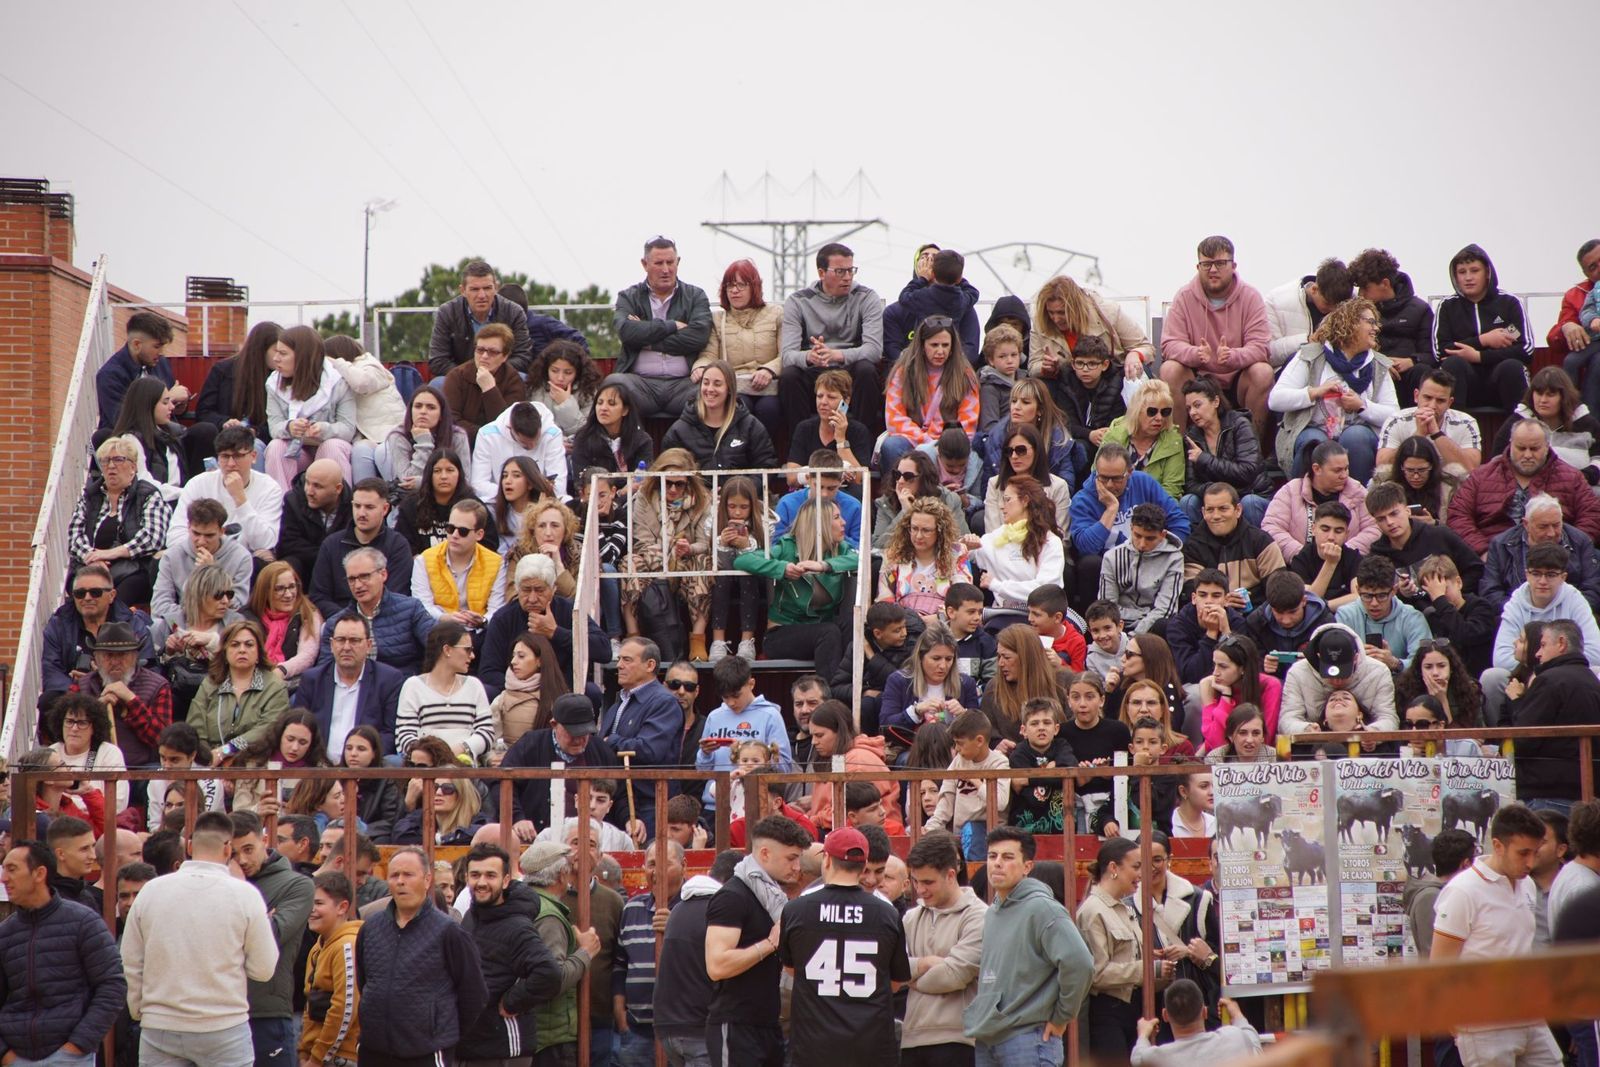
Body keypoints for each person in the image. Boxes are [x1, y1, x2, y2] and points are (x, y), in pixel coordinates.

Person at [123, 811, 279, 1067]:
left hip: (161, 1022)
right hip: (223, 1023)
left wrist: (140, 1008)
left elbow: (130, 958)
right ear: (228, 849)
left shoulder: (152, 891)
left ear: (190, 846)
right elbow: (263, 970)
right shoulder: (245, 895)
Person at [1431, 804, 1563, 1067]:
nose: (1530, 862)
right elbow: (1440, 962)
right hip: (1482, 1018)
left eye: (1535, 853)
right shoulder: (1463, 890)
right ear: (1497, 845)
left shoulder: (1526, 883)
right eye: (1523, 853)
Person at [778, 827, 911, 1067]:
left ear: (827, 860)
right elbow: (895, 982)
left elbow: (791, 969)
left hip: (813, 1044)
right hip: (870, 1045)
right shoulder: (887, 914)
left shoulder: (796, 910)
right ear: (863, 866)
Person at [964, 825, 1092, 1066]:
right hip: (988, 1038)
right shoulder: (991, 913)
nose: (997, 863)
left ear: (1027, 867)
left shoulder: (1043, 907)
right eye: (992, 856)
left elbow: (1080, 963)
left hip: (1028, 1038)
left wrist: (1062, 1017)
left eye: (1008, 857)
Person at [355, 846, 489, 1065]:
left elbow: (474, 994)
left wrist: (441, 1033)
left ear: (427, 880)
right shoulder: (371, 928)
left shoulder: (448, 931)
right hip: (374, 1049)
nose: (400, 881)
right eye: (394, 875)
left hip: (426, 1052)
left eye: (408, 875)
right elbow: (365, 982)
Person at [703, 815, 812, 1067]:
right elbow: (717, 966)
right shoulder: (732, 896)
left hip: (767, 1024)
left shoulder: (772, 897)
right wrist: (770, 944)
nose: (797, 867)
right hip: (735, 1026)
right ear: (764, 854)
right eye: (791, 858)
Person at [1270, 297, 1398, 482]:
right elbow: (1276, 399)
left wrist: (1362, 405)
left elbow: (1394, 414)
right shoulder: (1311, 355)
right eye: (1370, 322)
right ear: (1350, 323)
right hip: (1314, 428)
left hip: (1357, 431)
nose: (1376, 328)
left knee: (1355, 437)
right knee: (1316, 443)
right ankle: (1303, 501)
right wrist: (1315, 392)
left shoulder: (1377, 364)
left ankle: (1359, 501)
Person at [457, 842, 562, 1067]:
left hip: (503, 1050)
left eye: (490, 875)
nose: (481, 882)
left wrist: (513, 1002)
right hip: (473, 1045)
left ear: (505, 881)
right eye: (475, 875)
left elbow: (549, 973)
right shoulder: (471, 917)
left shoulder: (518, 926)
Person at [1157, 236, 1274, 438]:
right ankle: (1177, 449)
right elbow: (1169, 344)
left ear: (1233, 265)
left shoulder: (1251, 296)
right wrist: (1194, 353)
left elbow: (1261, 346)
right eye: (1207, 264)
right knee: (1170, 369)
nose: (1213, 270)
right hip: (1197, 378)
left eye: (1220, 263)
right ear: (1198, 266)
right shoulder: (1184, 297)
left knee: (1263, 372)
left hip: (1238, 379)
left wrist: (1233, 356)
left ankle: (1254, 452)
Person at [735, 494, 858, 683]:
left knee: (851, 624)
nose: (843, 522)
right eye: (836, 518)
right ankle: (832, 696)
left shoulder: (840, 549)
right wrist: (781, 568)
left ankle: (851, 685)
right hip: (782, 633)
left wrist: (824, 565)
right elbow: (743, 559)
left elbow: (862, 558)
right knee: (829, 632)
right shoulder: (787, 547)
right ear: (819, 525)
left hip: (821, 627)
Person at [229, 811, 314, 1067]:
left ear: (264, 840)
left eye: (248, 849)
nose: (242, 860)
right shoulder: (218, 885)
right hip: (220, 1011)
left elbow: (270, 935)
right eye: (233, 853)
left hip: (267, 1011)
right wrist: (261, 916)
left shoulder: (297, 885)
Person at [777, 242, 886, 432]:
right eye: (840, 272)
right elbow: (787, 355)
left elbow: (874, 350)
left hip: (849, 365)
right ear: (821, 273)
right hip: (815, 367)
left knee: (867, 371)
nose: (847, 277)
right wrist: (809, 357)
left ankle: (861, 439)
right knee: (789, 376)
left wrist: (836, 355)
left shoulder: (866, 297)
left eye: (851, 271)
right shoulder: (797, 301)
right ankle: (803, 440)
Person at [901, 831, 988, 1066]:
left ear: (951, 875)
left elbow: (954, 976)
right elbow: (891, 969)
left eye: (928, 882)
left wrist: (910, 976)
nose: (920, 889)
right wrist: (926, 963)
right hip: (911, 1037)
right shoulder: (911, 918)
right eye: (916, 881)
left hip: (958, 1039)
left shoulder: (979, 916)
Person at [1450, 418, 1600, 554]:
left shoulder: (1572, 477)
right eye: (1521, 448)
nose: (1527, 455)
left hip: (1555, 557)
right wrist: (1482, 551)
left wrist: (1568, 550)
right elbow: (1458, 515)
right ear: (1510, 444)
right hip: (1493, 557)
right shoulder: (1481, 476)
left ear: (1547, 447)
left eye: (1534, 449)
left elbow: (1592, 515)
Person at [1067, 443, 1189, 607]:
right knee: (1089, 563)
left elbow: (1180, 522)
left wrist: (1159, 548)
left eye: (1117, 478)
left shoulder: (1144, 483)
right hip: (1109, 566)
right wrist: (1111, 509)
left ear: (1129, 473)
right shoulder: (1083, 499)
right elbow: (1085, 547)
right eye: (1103, 477)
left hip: (1151, 556)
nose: (1109, 485)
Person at [618, 450, 713, 658]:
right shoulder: (643, 498)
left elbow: (704, 543)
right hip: (653, 561)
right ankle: (633, 635)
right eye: (667, 482)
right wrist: (666, 557)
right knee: (629, 562)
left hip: (686, 562)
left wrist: (688, 549)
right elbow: (642, 541)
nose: (672, 488)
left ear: (688, 483)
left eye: (678, 484)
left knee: (704, 561)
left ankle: (697, 640)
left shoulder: (703, 501)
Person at [1077, 835, 1166, 1059]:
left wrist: (1152, 959)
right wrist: (1148, 968)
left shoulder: (1124, 908)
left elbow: (1124, 956)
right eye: (1136, 867)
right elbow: (1097, 973)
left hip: (1132, 1009)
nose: (1140, 874)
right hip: (1108, 1014)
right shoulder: (1093, 911)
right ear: (1113, 867)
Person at [479, 553, 610, 697]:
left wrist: (556, 632)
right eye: (526, 590)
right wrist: (525, 689)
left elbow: (604, 650)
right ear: (517, 589)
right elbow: (488, 671)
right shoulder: (503, 618)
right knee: (487, 692)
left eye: (540, 590)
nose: (532, 598)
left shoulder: (569, 611)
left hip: (562, 692)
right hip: (515, 694)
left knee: (592, 692)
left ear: (553, 589)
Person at [613, 236, 714, 420]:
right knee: (613, 385)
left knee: (713, 393)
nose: (666, 269)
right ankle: (625, 448)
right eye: (659, 263)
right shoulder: (628, 297)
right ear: (645, 264)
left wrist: (646, 341)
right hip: (640, 385)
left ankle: (700, 449)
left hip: (685, 384)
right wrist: (672, 326)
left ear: (678, 262)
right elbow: (627, 332)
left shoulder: (695, 296)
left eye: (670, 262)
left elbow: (699, 336)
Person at [1029, 275, 1154, 421]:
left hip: (1111, 380)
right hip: (1066, 385)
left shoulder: (1108, 311)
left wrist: (1134, 355)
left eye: (1062, 312)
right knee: (1043, 385)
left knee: (1139, 372)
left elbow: (1145, 346)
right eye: (1051, 313)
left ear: (1075, 306)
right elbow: (1032, 367)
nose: (1056, 319)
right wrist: (1047, 368)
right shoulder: (1040, 322)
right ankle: (1056, 438)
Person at [1507, 620, 1600, 813]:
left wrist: (1516, 702)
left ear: (1561, 643)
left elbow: (1523, 740)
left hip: (1548, 792)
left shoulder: (1548, 681)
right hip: (1589, 792)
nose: (1537, 653)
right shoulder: (1592, 681)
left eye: (1542, 645)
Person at [70, 434, 170, 605]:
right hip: (93, 568)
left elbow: (153, 537)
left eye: (118, 460)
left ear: (133, 467)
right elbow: (75, 536)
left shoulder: (148, 495)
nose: (111, 466)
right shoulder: (90, 496)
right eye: (105, 461)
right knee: (81, 589)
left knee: (121, 595)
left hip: (133, 570)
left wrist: (110, 554)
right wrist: (93, 558)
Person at [1435, 243, 1534, 412]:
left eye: (1474, 270)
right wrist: (1483, 340)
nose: (1468, 277)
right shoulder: (1448, 306)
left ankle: (1521, 431)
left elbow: (1524, 348)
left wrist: (1479, 356)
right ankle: (1454, 430)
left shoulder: (1508, 304)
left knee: (1512, 366)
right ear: (1455, 276)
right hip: (1465, 384)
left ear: (1487, 273)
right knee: (1453, 364)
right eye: (1462, 272)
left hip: (1501, 380)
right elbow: (1442, 350)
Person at [599, 637, 683, 832]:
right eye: (619, 659)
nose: (619, 665)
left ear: (650, 665)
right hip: (617, 801)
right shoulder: (618, 703)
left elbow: (648, 750)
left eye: (627, 660)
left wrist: (609, 741)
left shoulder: (664, 702)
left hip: (649, 804)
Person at [881, 315, 981, 477]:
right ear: (922, 345)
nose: (940, 351)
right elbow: (894, 419)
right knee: (891, 445)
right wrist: (926, 441)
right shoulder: (902, 372)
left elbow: (968, 423)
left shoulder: (966, 375)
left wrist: (941, 444)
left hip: (950, 444)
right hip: (913, 440)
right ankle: (897, 497)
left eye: (945, 345)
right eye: (934, 345)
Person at [168, 424, 286, 560]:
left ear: (253, 456)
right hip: (199, 555)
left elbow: (266, 542)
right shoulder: (198, 483)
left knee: (264, 559)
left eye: (238, 456)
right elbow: (175, 534)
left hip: (243, 560)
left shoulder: (270, 488)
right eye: (225, 456)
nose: (231, 464)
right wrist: (206, 552)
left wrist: (240, 499)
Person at [315, 547, 437, 675]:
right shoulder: (335, 623)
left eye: (364, 576)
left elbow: (439, 648)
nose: (358, 585)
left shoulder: (411, 609)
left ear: (383, 574)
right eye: (351, 579)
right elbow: (325, 672)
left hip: (402, 688)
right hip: (355, 690)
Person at [71, 618, 170, 775]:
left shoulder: (158, 685)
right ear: (96, 657)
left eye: (122, 655)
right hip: (94, 768)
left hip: (141, 770)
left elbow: (164, 740)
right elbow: (69, 734)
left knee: (158, 778)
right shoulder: (81, 686)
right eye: (108, 656)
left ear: (135, 656)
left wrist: (132, 701)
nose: (115, 662)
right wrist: (96, 710)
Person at [263, 325, 356, 490]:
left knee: (332, 447)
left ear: (303, 357)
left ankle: (339, 508)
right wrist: (290, 427)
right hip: (298, 451)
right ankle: (283, 509)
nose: (276, 358)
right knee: (276, 447)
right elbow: (274, 426)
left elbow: (348, 428)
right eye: (276, 352)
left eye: (283, 353)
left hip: (328, 448)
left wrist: (322, 429)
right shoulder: (273, 383)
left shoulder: (337, 381)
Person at [963, 475, 1065, 619]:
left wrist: (997, 585)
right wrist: (966, 544)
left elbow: (1045, 590)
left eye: (1007, 499)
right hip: (1002, 615)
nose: (1001, 505)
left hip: (1038, 618)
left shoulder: (1050, 542)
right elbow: (963, 553)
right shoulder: (998, 537)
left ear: (1025, 501)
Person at [309, 478, 414, 618]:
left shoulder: (397, 545)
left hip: (385, 621)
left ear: (385, 509)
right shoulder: (331, 544)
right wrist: (349, 619)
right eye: (357, 506)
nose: (361, 513)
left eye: (369, 507)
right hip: (340, 622)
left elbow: (397, 595)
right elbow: (319, 596)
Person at [187, 618, 290, 760]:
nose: (242, 650)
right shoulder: (210, 684)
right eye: (235, 645)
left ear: (259, 652)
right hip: (209, 763)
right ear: (225, 652)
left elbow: (268, 728)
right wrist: (208, 758)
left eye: (249, 645)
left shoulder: (274, 687)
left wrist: (227, 750)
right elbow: (195, 728)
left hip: (254, 763)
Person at [1483, 493, 1600, 616]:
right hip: (1516, 613)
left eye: (1556, 525)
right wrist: (1520, 612)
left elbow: (1593, 587)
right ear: (1526, 524)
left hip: (1569, 615)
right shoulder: (1501, 544)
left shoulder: (1580, 541)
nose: (1551, 533)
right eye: (1543, 527)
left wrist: (1564, 613)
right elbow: (1490, 591)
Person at [1348, 247, 1438, 406]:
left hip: (1408, 375)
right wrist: (1379, 363)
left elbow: (1431, 354)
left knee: (1422, 372)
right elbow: (1351, 350)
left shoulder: (1420, 309)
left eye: (1365, 288)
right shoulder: (1358, 312)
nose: (1360, 294)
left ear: (1385, 283)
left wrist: (1412, 360)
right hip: (1373, 372)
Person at [396, 619, 494, 763]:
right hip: (425, 771)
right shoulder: (413, 686)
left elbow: (487, 733)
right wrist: (435, 756)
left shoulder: (474, 685)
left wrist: (462, 748)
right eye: (467, 649)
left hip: (465, 768)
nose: (472, 656)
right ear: (447, 650)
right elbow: (404, 737)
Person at [1262, 441, 1380, 560]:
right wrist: (1303, 557)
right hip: (1298, 568)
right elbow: (1272, 527)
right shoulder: (1291, 491)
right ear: (1317, 469)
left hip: (1347, 569)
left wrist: (1342, 555)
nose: (1344, 475)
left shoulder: (1358, 492)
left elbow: (1374, 528)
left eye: (1346, 468)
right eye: (1337, 470)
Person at [1276, 623, 1399, 736]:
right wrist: (1306, 729)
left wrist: (1372, 732)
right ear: (1319, 658)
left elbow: (1388, 717)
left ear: (1355, 658)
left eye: (1343, 674)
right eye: (1331, 675)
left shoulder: (1378, 671)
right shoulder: (1298, 673)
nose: (1337, 682)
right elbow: (1287, 719)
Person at [151, 499, 252, 633]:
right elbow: (160, 605)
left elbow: (237, 604)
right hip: (184, 624)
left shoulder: (241, 557)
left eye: (209, 535)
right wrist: (193, 617)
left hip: (222, 626)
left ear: (222, 531)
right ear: (188, 527)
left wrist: (211, 574)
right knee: (158, 625)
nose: (201, 541)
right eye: (196, 534)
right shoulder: (172, 556)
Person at [661, 357, 778, 472]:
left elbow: (766, 466)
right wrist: (698, 491)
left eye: (717, 384)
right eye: (706, 383)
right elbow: (668, 471)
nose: (710, 389)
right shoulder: (679, 430)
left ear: (729, 389)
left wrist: (740, 490)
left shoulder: (750, 426)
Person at [1179, 376, 1267, 527]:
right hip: (1213, 500)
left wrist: (1204, 459)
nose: (1192, 412)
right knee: (1188, 501)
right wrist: (1216, 493)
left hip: (1248, 494)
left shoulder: (1240, 425)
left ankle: (1256, 549)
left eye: (1197, 405)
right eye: (1189, 408)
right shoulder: (1193, 435)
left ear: (1215, 402)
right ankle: (1196, 549)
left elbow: (1247, 471)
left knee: (1250, 503)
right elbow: (1191, 484)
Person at [1374, 367, 1482, 491]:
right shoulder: (1397, 420)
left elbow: (1471, 468)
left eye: (1440, 401)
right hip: (1405, 485)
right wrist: (1418, 435)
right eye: (1427, 398)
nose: (1432, 406)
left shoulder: (1466, 423)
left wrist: (1436, 434)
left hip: (1448, 487)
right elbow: (1382, 465)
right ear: (1416, 396)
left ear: (1450, 403)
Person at [426, 261, 539, 377]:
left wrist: (493, 372)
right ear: (463, 290)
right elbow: (437, 360)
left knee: (523, 379)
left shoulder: (514, 312)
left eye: (487, 288)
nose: (482, 295)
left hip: (502, 378)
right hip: (460, 380)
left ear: (496, 287)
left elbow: (524, 357)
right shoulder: (447, 312)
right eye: (475, 289)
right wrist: (471, 376)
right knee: (437, 384)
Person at [410, 498, 506, 635]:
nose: (454, 535)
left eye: (463, 531)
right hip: (438, 630)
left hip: (479, 632)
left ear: (479, 535)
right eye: (450, 528)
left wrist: (483, 620)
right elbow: (421, 605)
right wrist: (445, 618)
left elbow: (496, 609)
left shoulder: (497, 563)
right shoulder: (424, 560)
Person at [298, 871, 363, 1067]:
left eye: (318, 903)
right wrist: (304, 1051)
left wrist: (318, 1058)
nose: (311, 909)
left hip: (341, 1057)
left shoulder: (347, 946)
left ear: (342, 907)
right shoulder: (318, 947)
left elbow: (344, 1008)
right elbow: (310, 1003)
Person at [806, 701, 901, 832]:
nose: (814, 742)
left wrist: (810, 820)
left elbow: (846, 810)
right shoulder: (835, 758)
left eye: (819, 735)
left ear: (839, 732)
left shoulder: (857, 760)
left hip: (875, 833)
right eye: (812, 736)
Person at [96, 310, 194, 435]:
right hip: (129, 441)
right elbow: (121, 420)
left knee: (204, 431)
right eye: (157, 346)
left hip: (165, 434)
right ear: (137, 344)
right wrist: (169, 397)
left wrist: (179, 405)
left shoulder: (160, 363)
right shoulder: (110, 375)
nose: (162, 352)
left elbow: (171, 413)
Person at [1333, 555, 1433, 671]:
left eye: (1381, 596)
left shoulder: (1412, 618)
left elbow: (1425, 664)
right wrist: (1356, 659)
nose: (1374, 603)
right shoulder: (1345, 616)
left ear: (1394, 591)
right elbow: (1337, 661)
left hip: (1400, 684)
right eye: (1367, 596)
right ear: (1358, 590)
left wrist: (1396, 663)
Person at [1098, 502, 1185, 634]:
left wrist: (1135, 636)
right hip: (1119, 623)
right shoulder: (1112, 557)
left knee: (1165, 624)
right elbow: (1107, 607)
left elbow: (1166, 609)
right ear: (1131, 528)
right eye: (1138, 536)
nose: (1142, 544)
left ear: (1162, 535)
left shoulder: (1174, 558)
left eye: (1150, 538)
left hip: (1153, 626)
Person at [196, 319, 276, 460]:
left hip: (258, 440)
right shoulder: (222, 370)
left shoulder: (277, 378)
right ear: (262, 349)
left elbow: (278, 420)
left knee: (252, 446)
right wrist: (224, 422)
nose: (278, 357)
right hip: (224, 437)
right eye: (276, 351)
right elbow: (204, 411)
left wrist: (255, 431)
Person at [885, 248, 982, 363]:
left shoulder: (922, 297)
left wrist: (922, 278)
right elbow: (974, 292)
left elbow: (904, 296)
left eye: (933, 260)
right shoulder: (961, 300)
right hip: (950, 356)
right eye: (925, 258)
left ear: (934, 273)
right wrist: (959, 277)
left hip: (922, 357)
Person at [1130, 981, 1260, 1066]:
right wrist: (1237, 1015)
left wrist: (1143, 1035)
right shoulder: (1234, 1036)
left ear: (1165, 1015)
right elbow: (1253, 1042)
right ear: (1204, 1012)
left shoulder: (1156, 1058)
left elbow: (1137, 1058)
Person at [441, 321, 528, 444]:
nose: (484, 356)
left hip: (502, 445)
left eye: (492, 352)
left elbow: (509, 426)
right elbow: (451, 420)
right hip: (464, 443)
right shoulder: (456, 376)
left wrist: (490, 389)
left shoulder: (513, 380)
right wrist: (484, 435)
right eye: (480, 350)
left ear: (505, 356)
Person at [1101, 378, 1186, 501]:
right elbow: (1097, 478)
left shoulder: (1174, 441)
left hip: (1154, 509)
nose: (1159, 418)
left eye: (1165, 412)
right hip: (1113, 503)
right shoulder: (1114, 435)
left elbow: (1171, 490)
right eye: (1152, 412)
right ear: (1137, 411)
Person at [785, 370, 872, 489]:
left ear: (846, 401)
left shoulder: (858, 431)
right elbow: (791, 478)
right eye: (820, 396)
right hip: (810, 493)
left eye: (831, 397)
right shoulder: (804, 428)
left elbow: (859, 478)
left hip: (844, 494)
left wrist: (841, 440)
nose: (823, 402)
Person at [381, 384, 473, 494]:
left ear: (441, 415)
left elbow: (465, 481)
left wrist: (425, 482)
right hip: (412, 500)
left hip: (452, 498)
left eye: (431, 407)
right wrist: (424, 442)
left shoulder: (457, 436)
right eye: (418, 406)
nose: (423, 411)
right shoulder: (398, 436)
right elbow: (409, 480)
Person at [47, 692, 131, 812]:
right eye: (70, 721)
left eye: (82, 723)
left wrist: (72, 803)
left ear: (94, 727)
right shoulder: (51, 753)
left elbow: (118, 803)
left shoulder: (109, 752)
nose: (74, 728)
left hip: (99, 825)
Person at [243, 561, 323, 686]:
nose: (288, 594)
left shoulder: (308, 614)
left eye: (292, 586)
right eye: (279, 589)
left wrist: (281, 670)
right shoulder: (247, 617)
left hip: (292, 684)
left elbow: (307, 655)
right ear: (265, 591)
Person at [470, 401, 568, 501]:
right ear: (510, 428)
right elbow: (478, 484)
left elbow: (559, 484)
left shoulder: (552, 434)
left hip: (540, 502)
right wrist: (516, 491)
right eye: (525, 444)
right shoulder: (486, 435)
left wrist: (530, 495)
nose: (532, 446)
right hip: (500, 501)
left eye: (537, 440)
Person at [1264, 258, 1354, 366]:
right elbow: (1269, 354)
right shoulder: (1276, 301)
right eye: (1327, 304)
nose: (1332, 310)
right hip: (1288, 372)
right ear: (1314, 289)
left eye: (1337, 306)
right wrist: (1307, 339)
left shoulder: (1353, 302)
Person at [878, 448, 972, 551]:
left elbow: (963, 542)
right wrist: (905, 513)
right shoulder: (886, 502)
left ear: (923, 479)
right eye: (897, 475)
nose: (900, 481)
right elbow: (877, 546)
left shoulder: (949, 500)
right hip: (901, 559)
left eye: (908, 476)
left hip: (939, 559)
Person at [274, 459, 350, 586]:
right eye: (307, 483)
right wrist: (327, 555)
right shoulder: (293, 500)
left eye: (317, 486)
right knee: (288, 565)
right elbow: (288, 545)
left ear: (338, 489)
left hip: (341, 569)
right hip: (306, 568)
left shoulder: (354, 505)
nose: (309, 491)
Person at [1199, 635, 1280, 750]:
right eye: (1214, 665)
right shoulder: (1214, 686)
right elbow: (1216, 744)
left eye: (1223, 666)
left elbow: (1264, 740)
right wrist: (1224, 697)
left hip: (1258, 760)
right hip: (1220, 760)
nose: (1215, 673)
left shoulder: (1270, 685)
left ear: (1243, 668)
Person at [569, 378, 655, 478]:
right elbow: (580, 482)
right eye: (600, 403)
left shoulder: (642, 440)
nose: (603, 408)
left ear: (625, 410)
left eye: (611, 403)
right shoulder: (583, 437)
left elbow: (643, 480)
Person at [525, 338, 601, 443]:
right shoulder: (536, 388)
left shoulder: (588, 391)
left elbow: (586, 430)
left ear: (577, 373)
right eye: (554, 371)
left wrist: (566, 404)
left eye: (568, 372)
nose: (560, 378)